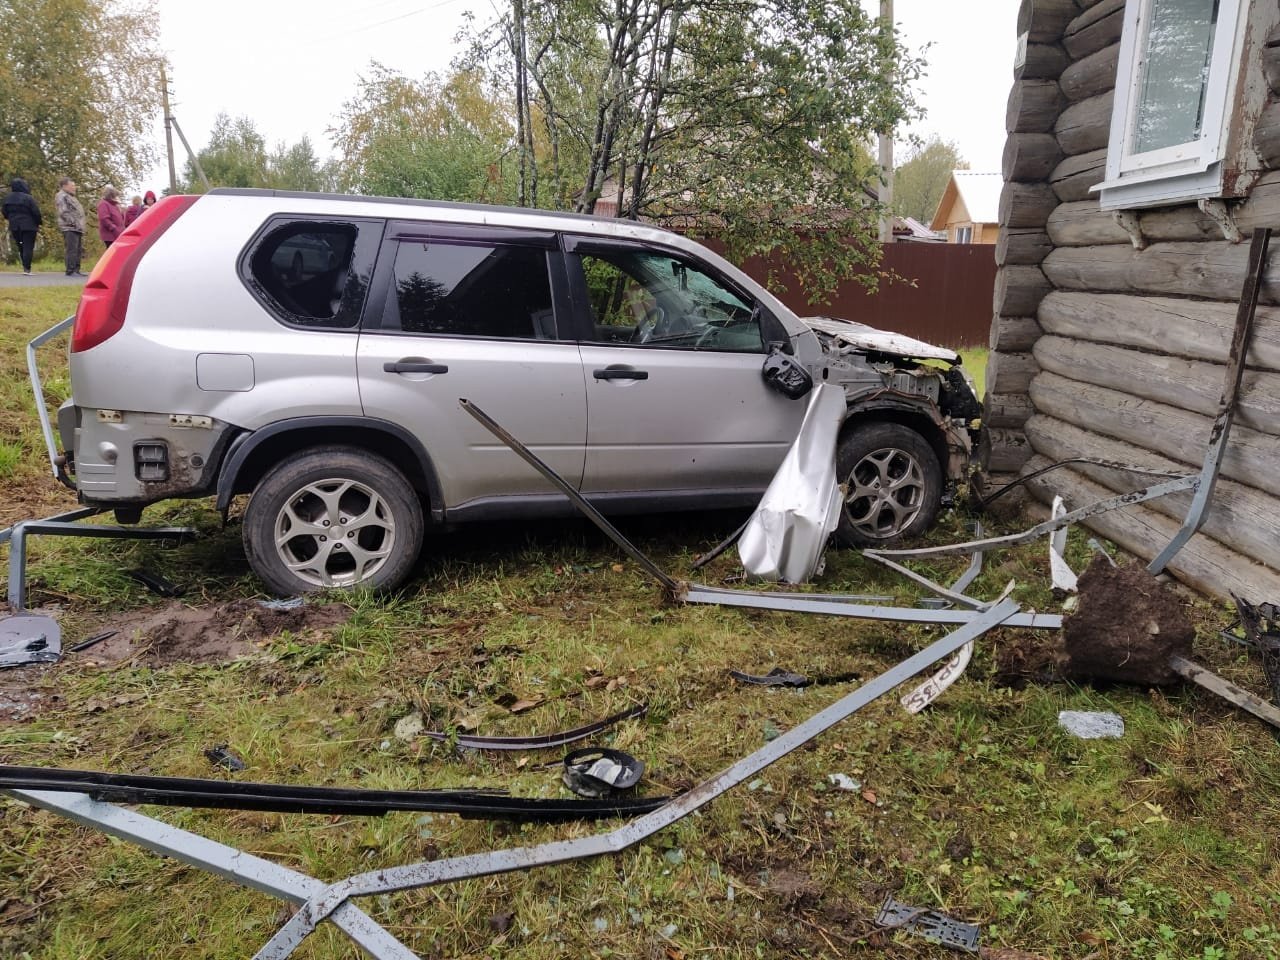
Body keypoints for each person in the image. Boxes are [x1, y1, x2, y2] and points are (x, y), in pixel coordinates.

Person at [2, 177, 42, 275]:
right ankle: (27, 269)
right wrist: (38, 222)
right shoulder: (28, 198)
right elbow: (36, 212)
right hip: (29, 225)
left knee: (21, 246)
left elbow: (4, 211)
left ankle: (25, 267)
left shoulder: (7, 198)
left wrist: (10, 218)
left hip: (15, 226)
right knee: (28, 246)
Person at [55, 177, 86, 276]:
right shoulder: (62, 196)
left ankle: (76, 269)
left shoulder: (71, 196)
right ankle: (70, 270)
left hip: (77, 227)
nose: (74, 187)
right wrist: (74, 222)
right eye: (72, 185)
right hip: (69, 227)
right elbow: (63, 212)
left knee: (77, 249)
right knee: (72, 249)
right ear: (64, 186)